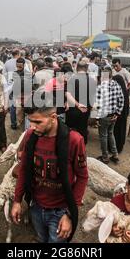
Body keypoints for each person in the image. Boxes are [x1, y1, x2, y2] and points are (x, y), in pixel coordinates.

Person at [11, 92, 88, 243]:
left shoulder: (74, 140)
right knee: (41, 238)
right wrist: (17, 200)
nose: (32, 127)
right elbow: (24, 169)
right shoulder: (30, 136)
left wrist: (70, 214)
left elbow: (82, 176)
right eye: (30, 121)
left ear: (53, 117)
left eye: (37, 122)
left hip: (60, 212)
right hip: (36, 206)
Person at [95, 66, 124, 164]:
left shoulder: (100, 87)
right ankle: (115, 155)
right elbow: (121, 100)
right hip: (113, 116)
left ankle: (105, 157)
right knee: (111, 134)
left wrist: (97, 118)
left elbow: (98, 104)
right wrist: (117, 113)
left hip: (104, 116)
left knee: (103, 136)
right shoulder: (117, 85)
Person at [65, 61, 97, 144]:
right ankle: (81, 150)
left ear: (76, 68)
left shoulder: (72, 78)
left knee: (71, 131)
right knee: (83, 129)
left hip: (72, 111)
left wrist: (77, 104)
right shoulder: (92, 80)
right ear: (86, 69)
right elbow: (93, 98)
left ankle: (72, 149)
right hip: (85, 111)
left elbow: (68, 94)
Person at [112, 74, 129, 153]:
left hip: (117, 115)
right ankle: (119, 147)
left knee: (115, 132)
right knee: (121, 131)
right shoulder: (125, 91)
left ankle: (114, 148)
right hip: (123, 115)